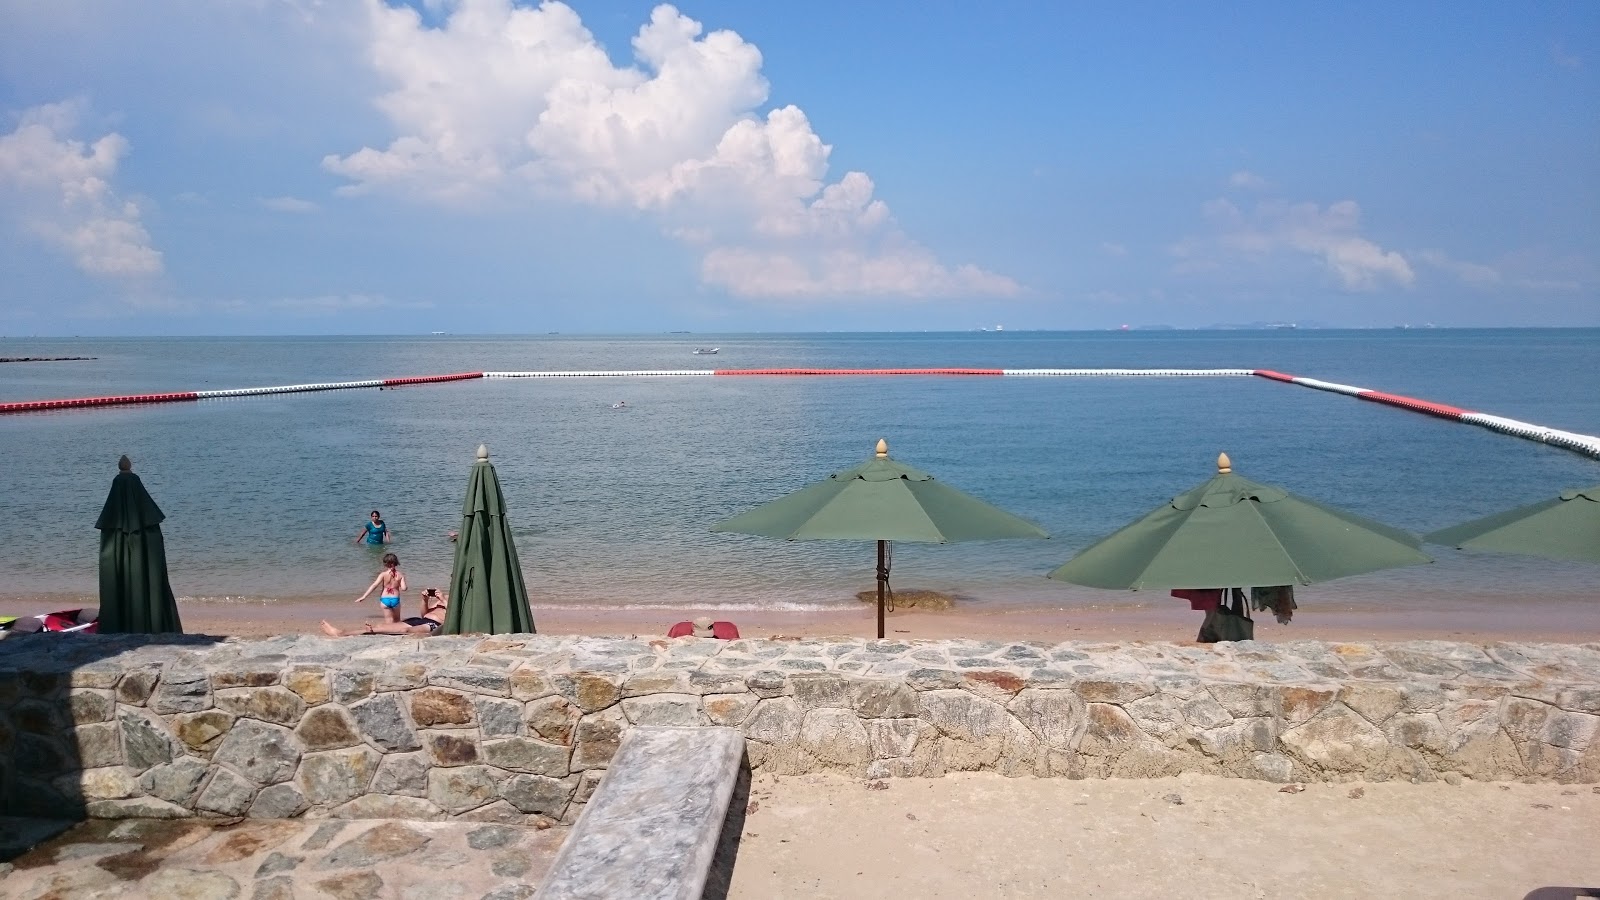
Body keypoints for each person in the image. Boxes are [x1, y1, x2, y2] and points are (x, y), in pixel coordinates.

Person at [323, 588, 447, 637]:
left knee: (405, 631)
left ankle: (341, 634)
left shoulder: (455, 601)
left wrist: (443, 600)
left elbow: (455, 616)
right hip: (423, 620)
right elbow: (424, 614)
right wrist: (424, 600)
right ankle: (341, 632)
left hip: (434, 625)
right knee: (380, 627)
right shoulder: (445, 597)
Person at [355, 552, 407, 624]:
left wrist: (364, 596)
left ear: (385, 564)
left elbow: (374, 585)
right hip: (395, 599)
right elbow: (404, 588)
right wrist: (401, 581)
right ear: (396, 562)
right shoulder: (400, 575)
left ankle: (389, 633)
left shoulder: (383, 574)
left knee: (388, 621)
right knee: (397, 621)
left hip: (385, 599)